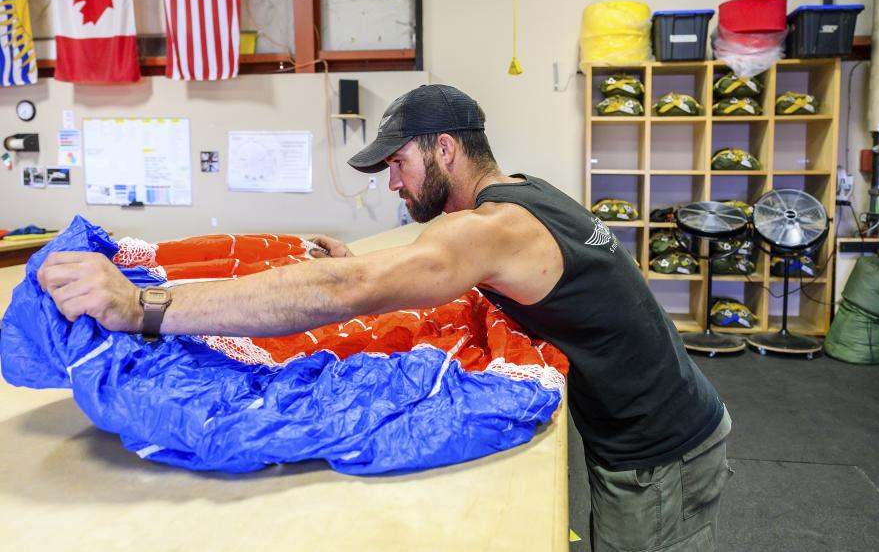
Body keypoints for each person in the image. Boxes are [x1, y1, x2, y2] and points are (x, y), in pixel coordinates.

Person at [38, 84, 732, 552]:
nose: (393, 183)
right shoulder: (526, 197)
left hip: (656, 456)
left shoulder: (493, 227)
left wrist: (142, 306)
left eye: (398, 163)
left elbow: (354, 288)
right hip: (663, 427)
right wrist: (355, 259)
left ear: (445, 150)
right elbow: (411, 264)